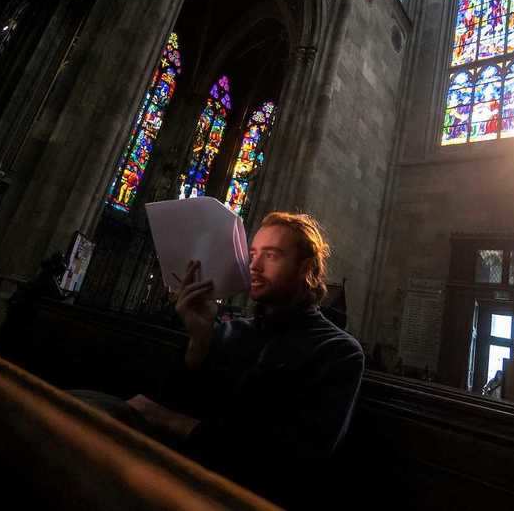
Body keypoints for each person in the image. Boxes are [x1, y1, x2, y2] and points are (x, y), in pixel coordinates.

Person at [125, 212, 364, 506]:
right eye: (252, 254)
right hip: (177, 475)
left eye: (271, 255)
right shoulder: (229, 330)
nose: (253, 266)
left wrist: (173, 422)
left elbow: (294, 457)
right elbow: (179, 400)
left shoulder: (338, 350)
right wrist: (199, 340)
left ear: (305, 268)